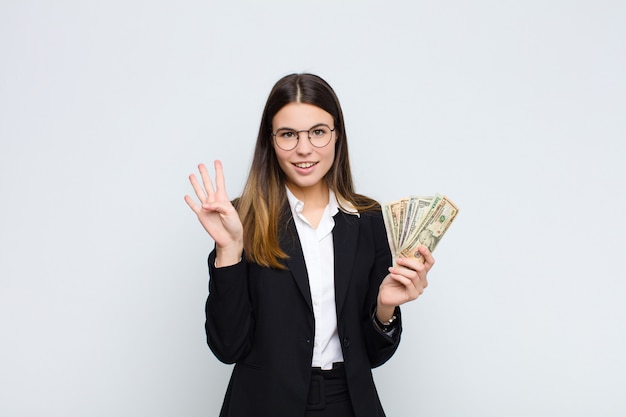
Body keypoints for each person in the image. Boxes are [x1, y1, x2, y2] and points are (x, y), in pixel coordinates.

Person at [184, 73, 435, 417]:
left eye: (318, 132)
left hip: (348, 401)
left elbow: (375, 355)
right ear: (270, 141)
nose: (304, 149)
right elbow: (228, 347)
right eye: (288, 135)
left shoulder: (368, 219)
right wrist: (229, 252)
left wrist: (384, 310)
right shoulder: (240, 219)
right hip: (263, 403)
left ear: (336, 136)